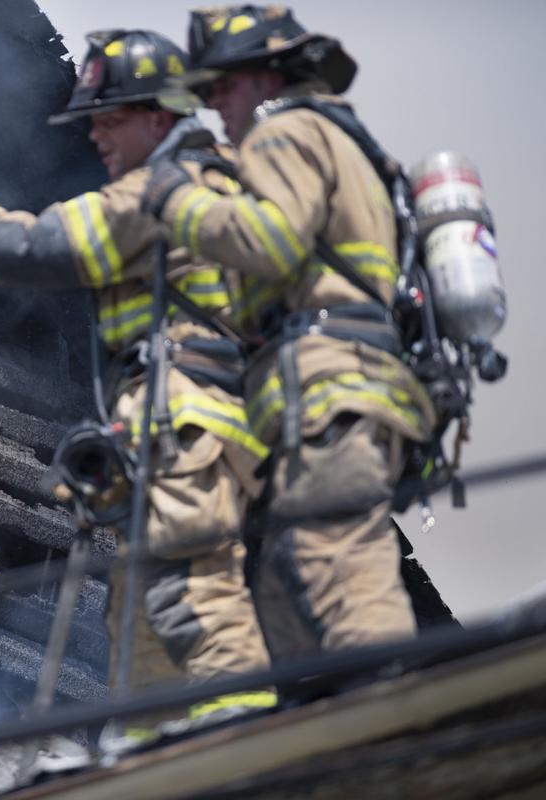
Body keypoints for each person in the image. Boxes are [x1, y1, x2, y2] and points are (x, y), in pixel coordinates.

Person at [0, 30, 274, 724]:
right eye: (92, 123)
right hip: (174, 438)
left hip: (187, 429)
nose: (98, 138)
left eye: (111, 119)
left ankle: (245, 738)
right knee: (140, 619)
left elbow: (26, 247)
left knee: (194, 597)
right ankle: (152, 758)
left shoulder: (158, 194)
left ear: (160, 117)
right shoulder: (220, 192)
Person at [143, 5, 436, 660]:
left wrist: (175, 199)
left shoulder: (282, 135)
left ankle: (391, 723)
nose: (215, 105)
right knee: (282, 586)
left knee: (342, 567)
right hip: (359, 383)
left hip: (328, 387)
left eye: (222, 85)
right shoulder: (347, 138)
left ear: (267, 77)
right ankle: (318, 735)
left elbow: (270, 241)